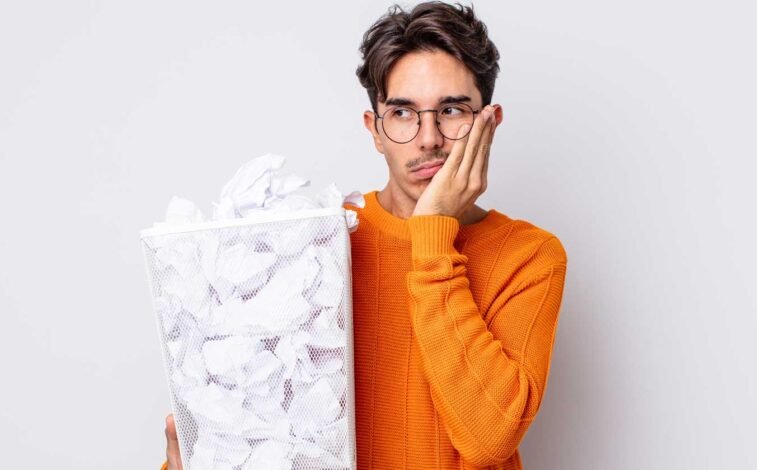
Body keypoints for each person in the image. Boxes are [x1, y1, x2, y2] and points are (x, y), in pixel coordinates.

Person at [161, 2, 568, 469]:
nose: (429, 138)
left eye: (452, 110)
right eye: (402, 113)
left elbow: (486, 440)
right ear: (375, 130)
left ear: (489, 123)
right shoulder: (313, 245)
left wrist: (433, 233)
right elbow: (260, 424)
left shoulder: (529, 255)